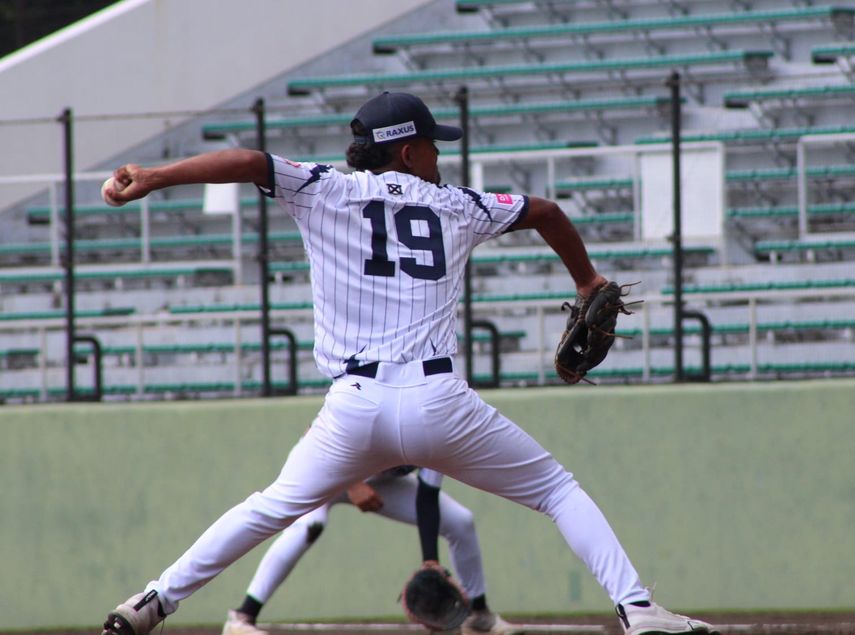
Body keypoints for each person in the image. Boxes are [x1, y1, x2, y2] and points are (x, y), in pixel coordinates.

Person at [100, 91, 718, 635]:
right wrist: (587, 281)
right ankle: (637, 610)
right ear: (405, 153)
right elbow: (547, 212)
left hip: (354, 408)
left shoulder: (323, 187)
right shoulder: (460, 205)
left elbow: (252, 161)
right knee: (556, 490)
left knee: (267, 508)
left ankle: (153, 601)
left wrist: (155, 176)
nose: (438, 155)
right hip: (440, 401)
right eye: (430, 145)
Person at [222, 467, 519, 635]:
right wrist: (352, 485)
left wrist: (431, 563)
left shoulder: (437, 414)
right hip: (326, 470)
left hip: (381, 481)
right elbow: (316, 434)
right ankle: (241, 619)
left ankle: (478, 617)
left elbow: (427, 496)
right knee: (309, 525)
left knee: (460, 521)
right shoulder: (386, 391)